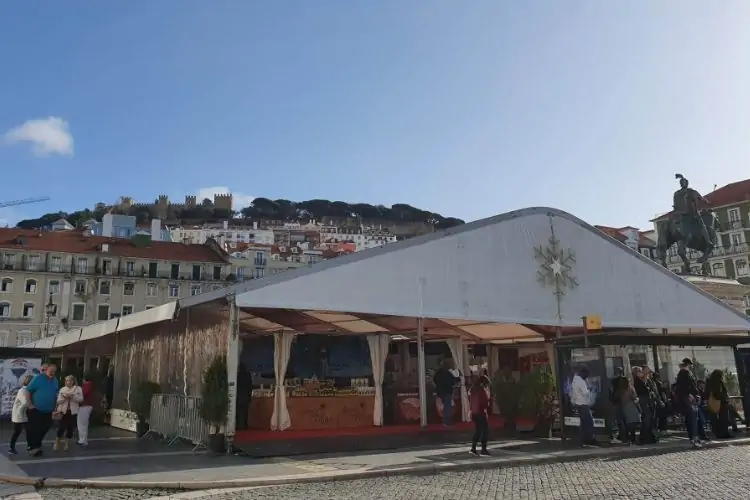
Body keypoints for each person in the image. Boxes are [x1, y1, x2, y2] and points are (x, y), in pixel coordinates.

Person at [26, 364, 59, 456]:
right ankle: (32, 447)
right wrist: (30, 404)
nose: (53, 373)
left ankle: (36, 445)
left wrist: (56, 407)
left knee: (46, 427)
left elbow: (55, 392)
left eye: (54, 372)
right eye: (51, 371)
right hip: (36, 409)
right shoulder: (38, 378)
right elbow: (28, 390)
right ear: (46, 370)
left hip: (49, 410)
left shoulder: (55, 380)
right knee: (34, 429)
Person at [674, 358, 706, 448]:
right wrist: (689, 394)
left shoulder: (687, 373)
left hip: (691, 397)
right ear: (688, 365)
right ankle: (694, 438)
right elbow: (684, 387)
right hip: (688, 398)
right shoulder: (683, 374)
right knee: (692, 418)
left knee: (693, 418)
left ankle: (695, 437)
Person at [54, 375, 84, 451]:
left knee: (70, 429)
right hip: (63, 411)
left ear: (73, 381)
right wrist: (65, 397)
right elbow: (58, 401)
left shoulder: (78, 389)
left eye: (70, 380)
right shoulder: (63, 389)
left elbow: (81, 399)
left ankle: (66, 444)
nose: (68, 382)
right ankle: (57, 442)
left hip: (73, 412)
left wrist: (73, 397)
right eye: (67, 380)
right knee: (61, 427)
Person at [570, 366, 597, 446]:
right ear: (583, 373)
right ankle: (589, 439)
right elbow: (586, 393)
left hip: (578, 404)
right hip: (583, 404)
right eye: (587, 375)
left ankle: (584, 440)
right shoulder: (581, 381)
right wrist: (591, 390)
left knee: (583, 423)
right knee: (589, 422)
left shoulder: (574, 380)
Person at [9, 374, 34, 455]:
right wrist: (33, 406)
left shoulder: (28, 390)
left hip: (24, 414)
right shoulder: (23, 391)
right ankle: (11, 448)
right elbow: (25, 403)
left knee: (29, 431)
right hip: (19, 414)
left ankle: (30, 446)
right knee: (17, 431)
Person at [705, 369, 732, 439]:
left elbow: (708, 392)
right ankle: (724, 433)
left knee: (715, 419)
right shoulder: (719, 382)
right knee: (724, 418)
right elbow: (719, 393)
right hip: (721, 402)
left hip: (714, 402)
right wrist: (724, 397)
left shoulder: (709, 382)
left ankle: (718, 433)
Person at [469, 375, 491, 457]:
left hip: (474, 413)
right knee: (485, 431)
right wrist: (487, 403)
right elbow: (484, 402)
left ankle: (473, 448)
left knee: (478, 431)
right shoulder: (481, 390)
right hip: (480, 412)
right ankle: (483, 449)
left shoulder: (473, 389)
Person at [433, 358, 460, 427]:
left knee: (444, 406)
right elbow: (453, 380)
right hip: (447, 391)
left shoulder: (438, 372)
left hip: (440, 391)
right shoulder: (448, 372)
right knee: (447, 406)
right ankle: (446, 421)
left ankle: (445, 420)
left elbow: (434, 379)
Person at [608, 367, 629, 442]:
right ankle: (626, 435)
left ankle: (622, 435)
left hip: (617, 401)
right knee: (624, 419)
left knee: (619, 419)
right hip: (624, 401)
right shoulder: (625, 380)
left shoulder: (614, 380)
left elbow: (612, 390)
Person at [77, 373, 95, 446]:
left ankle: (83, 440)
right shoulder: (91, 386)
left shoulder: (86, 386)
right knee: (83, 423)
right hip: (88, 406)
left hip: (84, 406)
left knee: (81, 424)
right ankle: (83, 440)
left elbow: (82, 395)